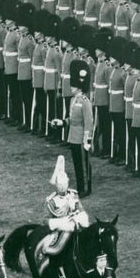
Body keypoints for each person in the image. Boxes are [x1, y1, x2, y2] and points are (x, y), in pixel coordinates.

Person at [52, 58, 93, 196]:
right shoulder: (72, 100)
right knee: (77, 164)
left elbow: (88, 122)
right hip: (73, 136)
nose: (71, 87)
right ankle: (81, 186)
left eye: (74, 86)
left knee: (83, 164)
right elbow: (72, 119)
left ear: (79, 86)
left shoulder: (85, 102)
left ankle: (86, 188)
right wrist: (62, 122)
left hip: (81, 137)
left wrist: (87, 140)